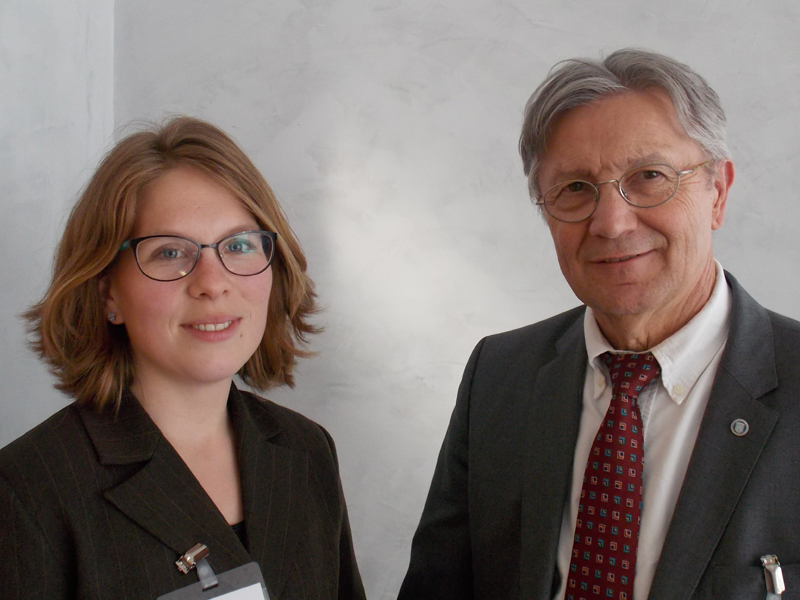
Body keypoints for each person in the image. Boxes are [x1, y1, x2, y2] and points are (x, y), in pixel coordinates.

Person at [398, 49, 800, 600]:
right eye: (575, 189)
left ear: (718, 192)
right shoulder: (500, 375)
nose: (611, 223)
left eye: (650, 176)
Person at [0, 116, 366, 599]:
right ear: (107, 291)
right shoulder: (28, 489)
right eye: (170, 253)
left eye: (237, 245)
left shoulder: (307, 451)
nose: (213, 283)